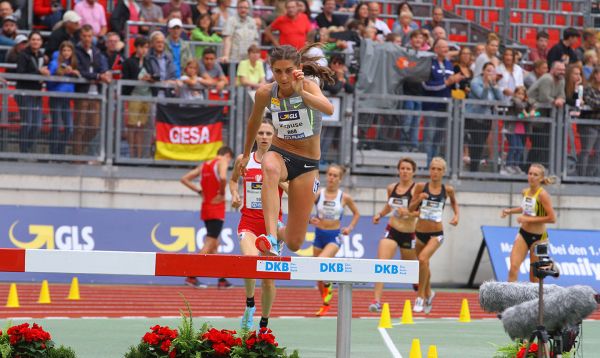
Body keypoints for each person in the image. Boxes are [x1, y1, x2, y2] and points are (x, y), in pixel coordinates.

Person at [236, 44, 335, 256]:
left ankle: (280, 236)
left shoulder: (308, 86)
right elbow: (253, 122)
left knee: (295, 242)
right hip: (281, 153)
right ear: (271, 70)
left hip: (307, 164)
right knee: (269, 166)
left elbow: (329, 108)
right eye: (277, 71)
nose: (283, 77)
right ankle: (271, 237)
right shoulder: (265, 92)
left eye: (288, 71)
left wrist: (301, 93)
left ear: (298, 67)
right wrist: (246, 155)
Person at [229, 120, 287, 330]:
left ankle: (264, 322)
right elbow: (233, 180)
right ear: (255, 136)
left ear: (274, 136)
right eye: (260, 132)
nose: (264, 136)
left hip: (272, 226)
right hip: (249, 223)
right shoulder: (244, 160)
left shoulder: (281, 162)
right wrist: (235, 194)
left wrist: (275, 178)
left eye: (268, 133)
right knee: (249, 261)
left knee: (269, 281)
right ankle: (250, 303)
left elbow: (293, 191)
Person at [408, 157, 459, 314]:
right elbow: (410, 209)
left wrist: (456, 216)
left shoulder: (448, 190)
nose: (435, 172)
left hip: (436, 234)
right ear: (429, 170)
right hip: (420, 232)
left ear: (443, 172)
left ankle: (420, 297)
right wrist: (418, 199)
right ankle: (430, 293)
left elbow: (454, 203)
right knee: (423, 264)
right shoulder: (420, 187)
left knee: (423, 259)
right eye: (433, 168)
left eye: (438, 169)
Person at [369, 157, 419, 313]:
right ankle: (376, 301)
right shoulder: (391, 188)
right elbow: (389, 206)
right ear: (398, 170)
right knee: (382, 264)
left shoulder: (417, 189)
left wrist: (409, 213)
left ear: (413, 172)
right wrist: (380, 214)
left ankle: (422, 295)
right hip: (392, 229)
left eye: (408, 169)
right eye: (402, 168)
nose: (405, 171)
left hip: (409, 233)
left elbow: (423, 212)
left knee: (412, 271)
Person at [181, 146, 235, 288]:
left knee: (215, 245)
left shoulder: (204, 165)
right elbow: (223, 177)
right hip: (216, 208)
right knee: (210, 243)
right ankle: (191, 276)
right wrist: (222, 193)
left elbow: (184, 179)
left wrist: (199, 191)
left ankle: (222, 279)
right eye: (230, 160)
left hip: (206, 207)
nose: (228, 163)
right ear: (227, 155)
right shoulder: (222, 161)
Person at [312, 164, 360, 316]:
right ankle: (325, 303)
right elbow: (304, 209)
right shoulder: (318, 194)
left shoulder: (344, 197)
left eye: (335, 176)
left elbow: (356, 214)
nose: (331, 178)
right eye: (330, 174)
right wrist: (310, 219)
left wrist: (349, 228)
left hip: (334, 236)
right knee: (317, 274)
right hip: (319, 235)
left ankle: (328, 291)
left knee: (321, 261)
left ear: (340, 179)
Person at [501, 163, 556, 282]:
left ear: (541, 178)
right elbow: (525, 208)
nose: (531, 176)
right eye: (530, 173)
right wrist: (509, 211)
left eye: (535, 175)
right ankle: (510, 299)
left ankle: (535, 300)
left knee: (534, 277)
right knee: (513, 267)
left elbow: (552, 218)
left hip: (540, 238)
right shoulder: (525, 192)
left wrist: (527, 219)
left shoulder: (543, 195)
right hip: (523, 233)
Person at [73, 24, 110, 156]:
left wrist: (103, 74)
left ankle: (80, 149)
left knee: (94, 127)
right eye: (84, 36)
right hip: (82, 93)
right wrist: (97, 76)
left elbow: (102, 67)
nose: (87, 39)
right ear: (80, 36)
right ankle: (76, 156)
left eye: (89, 36)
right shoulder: (76, 51)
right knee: (80, 127)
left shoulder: (97, 51)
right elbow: (81, 70)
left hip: (96, 93)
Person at [16, 31, 50, 153]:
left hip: (36, 93)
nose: (36, 42)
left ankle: (28, 147)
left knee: (37, 125)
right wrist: (39, 73)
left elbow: (42, 71)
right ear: (29, 41)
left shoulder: (41, 55)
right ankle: (23, 150)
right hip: (24, 93)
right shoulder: (23, 55)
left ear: (41, 42)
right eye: (33, 39)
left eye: (38, 39)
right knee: (28, 123)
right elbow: (20, 74)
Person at [466, 62, 503, 173]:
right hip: (474, 117)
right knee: (475, 143)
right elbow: (484, 100)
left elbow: (500, 99)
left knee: (480, 144)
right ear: (483, 71)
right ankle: (473, 169)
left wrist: (495, 85)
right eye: (488, 70)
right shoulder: (475, 82)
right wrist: (486, 85)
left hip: (486, 118)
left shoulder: (493, 83)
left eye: (492, 71)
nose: (490, 73)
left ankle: (475, 169)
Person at [122, 36, 152, 158]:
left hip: (147, 96)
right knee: (132, 126)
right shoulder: (129, 62)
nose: (144, 50)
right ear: (136, 47)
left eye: (146, 47)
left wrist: (151, 78)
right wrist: (139, 78)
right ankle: (131, 154)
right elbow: (127, 78)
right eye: (142, 47)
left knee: (141, 127)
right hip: (134, 96)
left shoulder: (149, 61)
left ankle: (139, 156)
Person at [48, 41, 79, 155]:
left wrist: (75, 73)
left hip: (67, 98)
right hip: (56, 97)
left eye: (69, 50)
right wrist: (60, 73)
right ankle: (53, 154)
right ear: (60, 51)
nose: (66, 53)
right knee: (56, 127)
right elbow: (49, 81)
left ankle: (59, 152)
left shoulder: (73, 64)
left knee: (69, 128)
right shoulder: (54, 63)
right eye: (64, 50)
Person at [580, 66, 600, 177]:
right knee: (586, 151)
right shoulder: (588, 88)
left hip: (599, 125)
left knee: (598, 153)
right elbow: (591, 102)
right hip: (589, 124)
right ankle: (581, 176)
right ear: (595, 75)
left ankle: (591, 176)